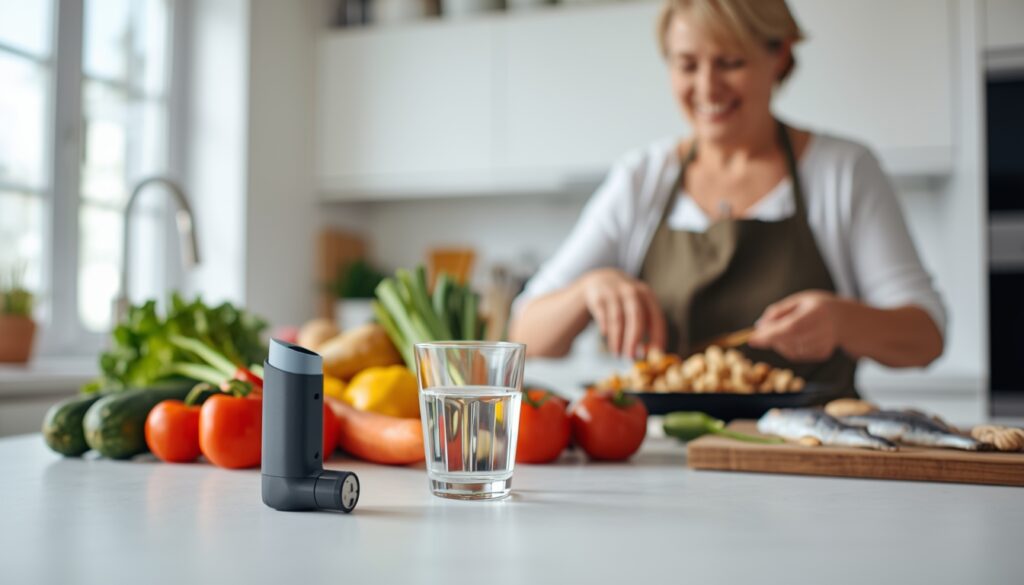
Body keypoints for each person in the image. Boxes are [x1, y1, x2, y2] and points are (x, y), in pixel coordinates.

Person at [508, 0, 945, 395]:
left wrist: (842, 322)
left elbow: (927, 336)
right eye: (686, 65)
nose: (708, 87)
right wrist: (588, 288)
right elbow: (524, 334)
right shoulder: (642, 179)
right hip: (665, 462)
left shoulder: (843, 171)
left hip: (815, 456)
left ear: (780, 55)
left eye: (730, 62)